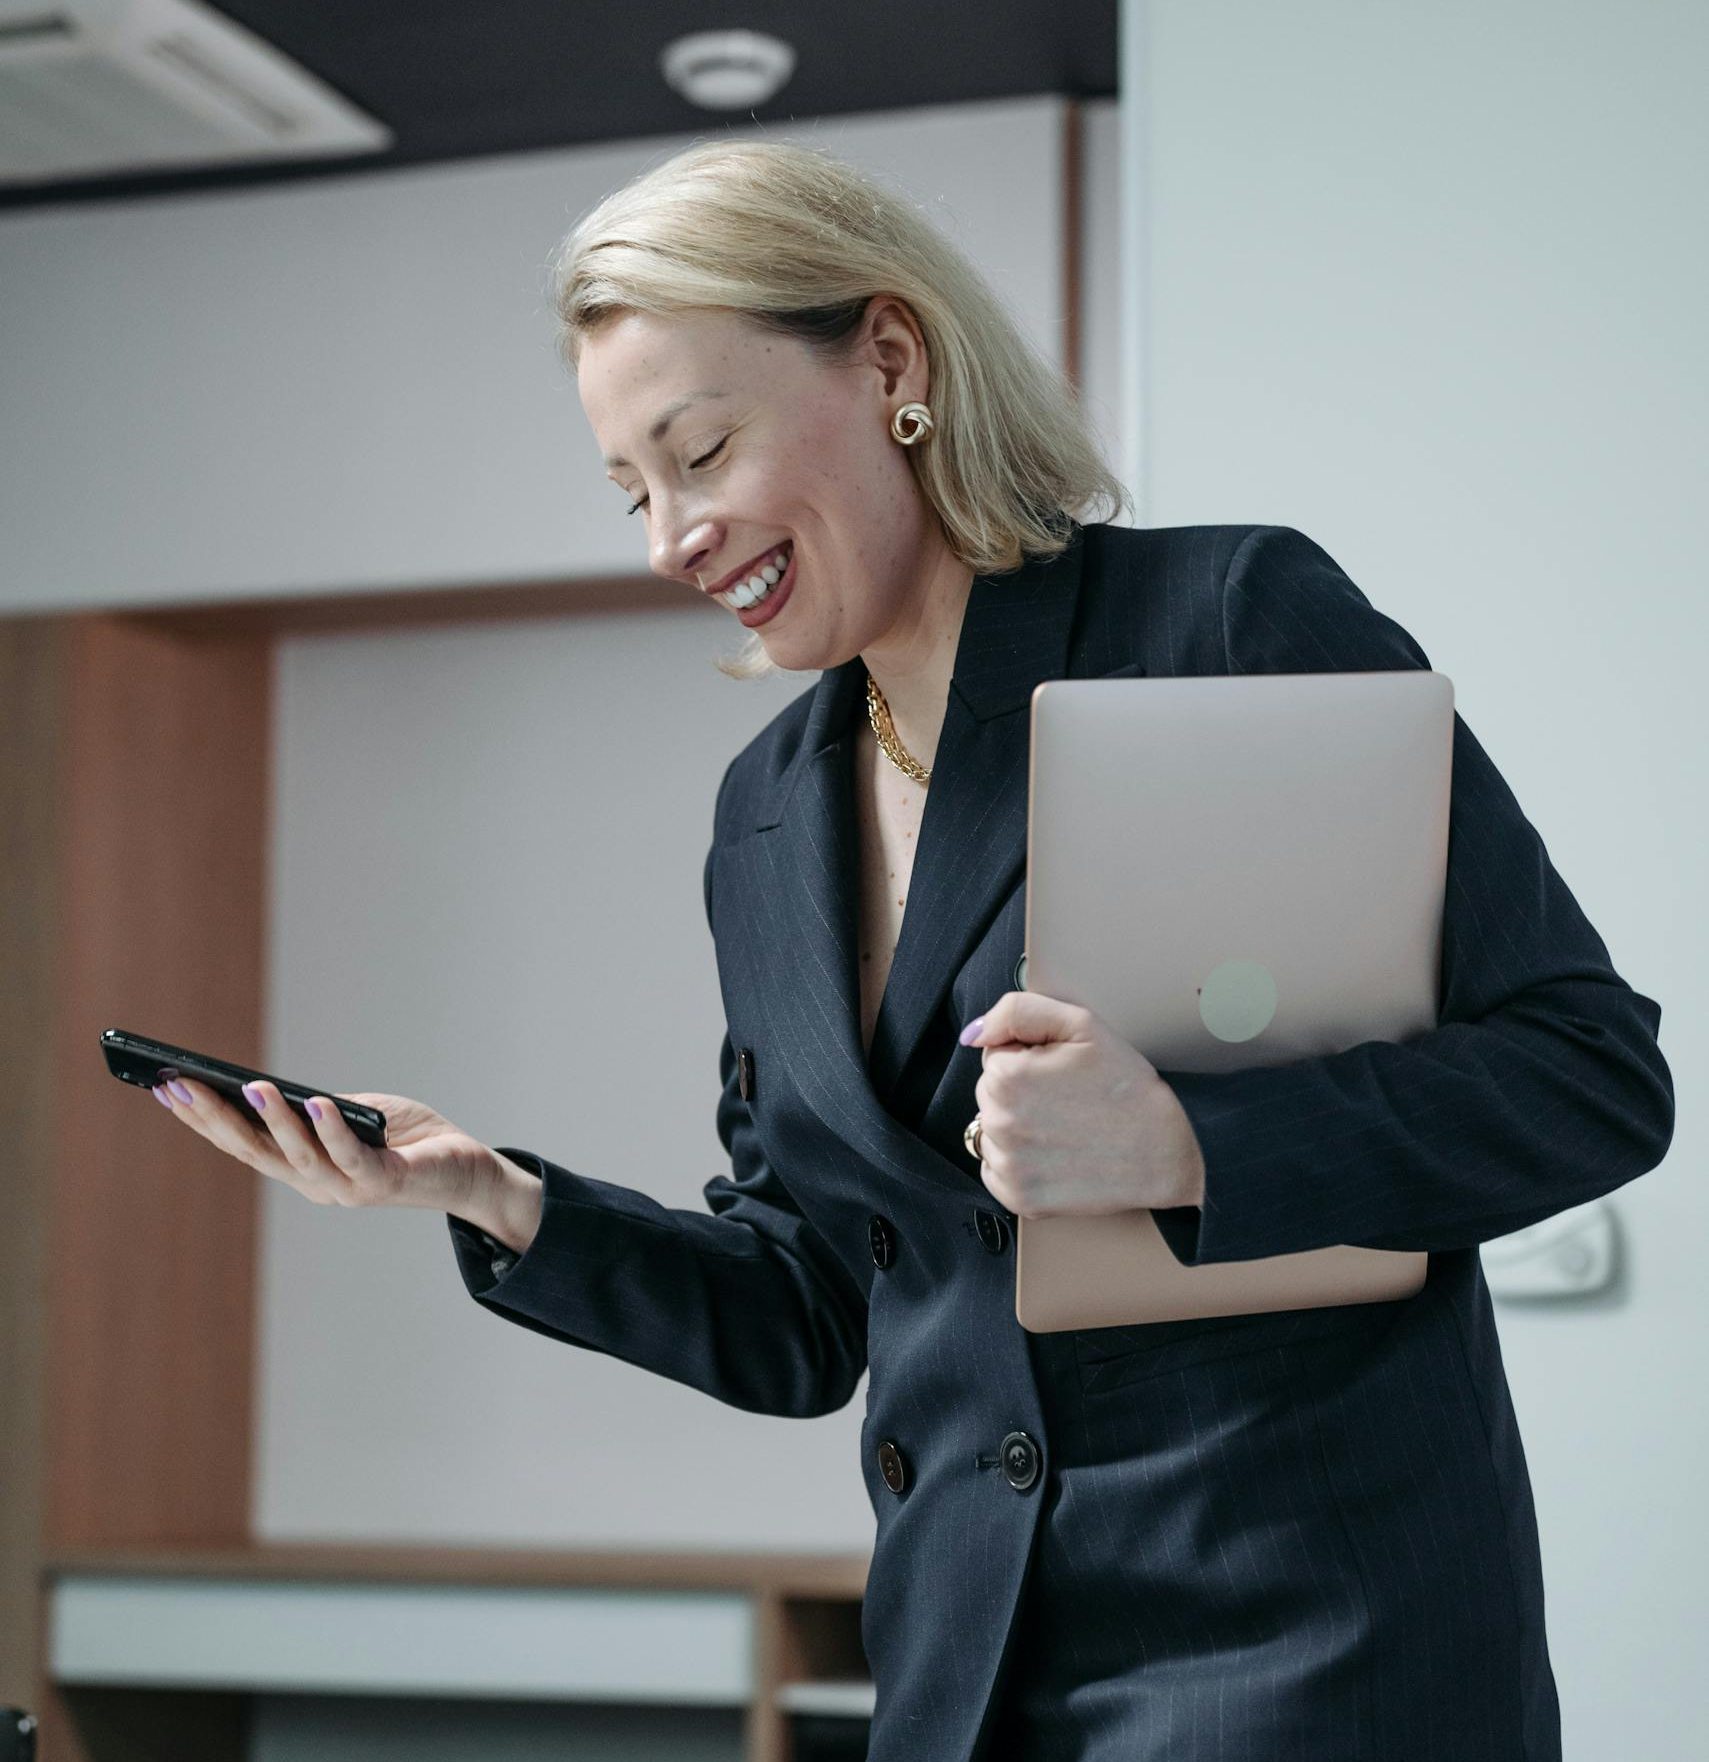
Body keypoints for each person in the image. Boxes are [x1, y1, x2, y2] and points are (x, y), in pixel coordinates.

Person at [155, 138, 1675, 1762]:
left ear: (889, 358)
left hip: (1305, 1656)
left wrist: (1177, 1138)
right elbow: (818, 1307)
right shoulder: (763, 815)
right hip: (967, 1677)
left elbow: (1588, 1072)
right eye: (631, 491)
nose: (669, 537)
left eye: (700, 449)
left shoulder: (1223, 620)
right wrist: (489, 1193)